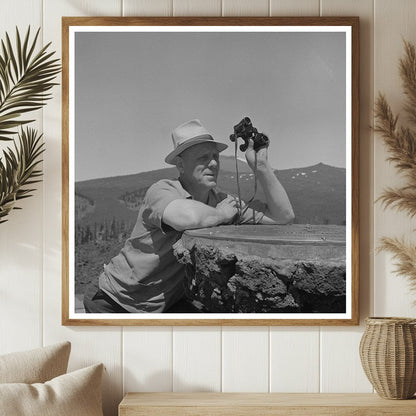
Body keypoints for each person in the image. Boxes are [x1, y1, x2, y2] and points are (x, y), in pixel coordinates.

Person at [83, 119, 294, 313]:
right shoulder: (163, 191)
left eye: (215, 157)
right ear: (181, 165)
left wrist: (262, 168)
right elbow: (186, 218)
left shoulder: (221, 201)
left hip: (163, 304)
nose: (213, 163)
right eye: (203, 157)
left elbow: (283, 216)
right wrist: (221, 214)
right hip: (115, 301)